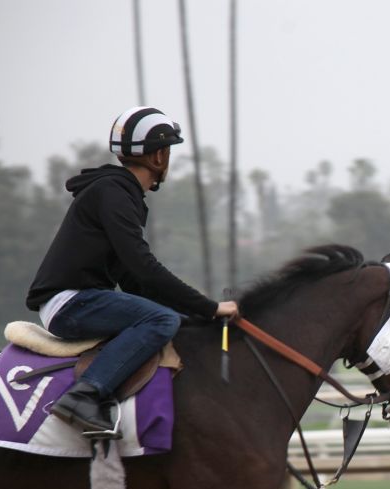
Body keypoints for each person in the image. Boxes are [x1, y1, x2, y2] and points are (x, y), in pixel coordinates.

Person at [27, 106, 238, 436]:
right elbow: (144, 267)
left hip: (82, 299)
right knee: (161, 320)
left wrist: (190, 315)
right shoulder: (113, 193)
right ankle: (84, 396)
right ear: (158, 157)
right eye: (168, 152)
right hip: (71, 303)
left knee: (170, 318)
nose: (168, 159)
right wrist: (209, 307)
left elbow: (131, 278)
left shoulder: (120, 193)